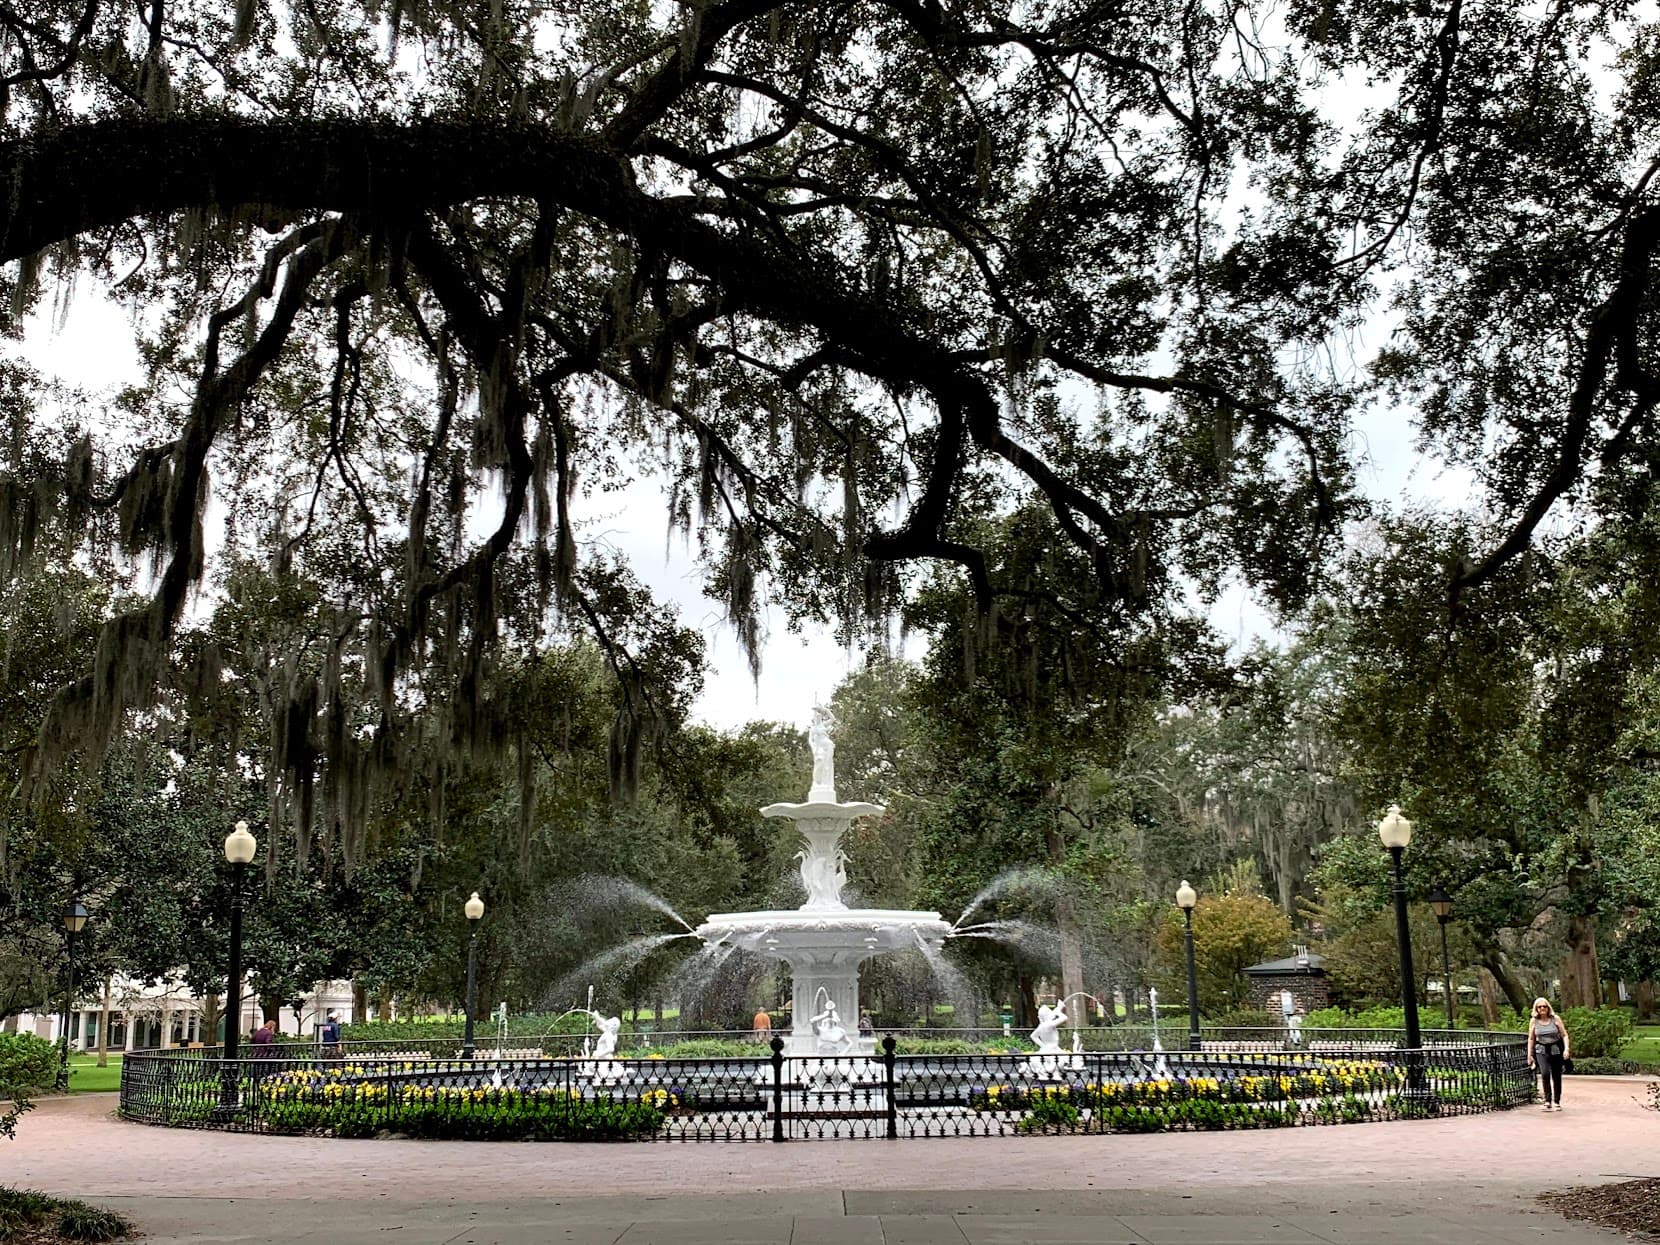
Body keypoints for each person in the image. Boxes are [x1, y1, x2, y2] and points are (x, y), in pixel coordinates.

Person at [1527, 997, 1572, 1111]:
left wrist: (1566, 1049)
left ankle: (1556, 1101)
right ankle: (1547, 1101)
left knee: (1556, 1075)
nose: (1542, 1008)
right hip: (1541, 1050)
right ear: (1536, 1009)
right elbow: (1531, 1038)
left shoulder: (1555, 1019)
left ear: (1548, 1007)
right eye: (1540, 1007)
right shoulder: (1534, 1021)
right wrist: (1530, 1054)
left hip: (1555, 1049)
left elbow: (1564, 1035)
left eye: (1544, 1006)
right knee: (1545, 1073)